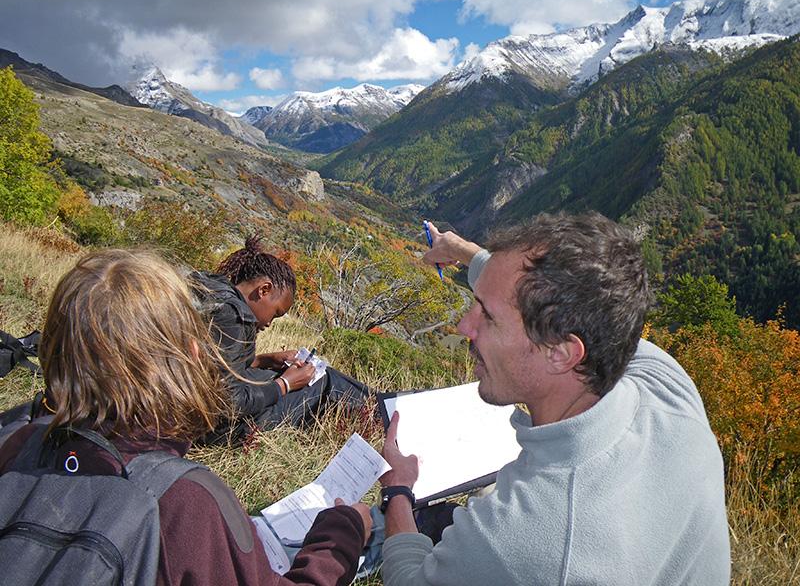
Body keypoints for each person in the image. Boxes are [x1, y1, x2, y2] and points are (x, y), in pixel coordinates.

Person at [378, 214, 731, 585]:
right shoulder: (665, 382)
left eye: (488, 316)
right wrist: (463, 252)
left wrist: (398, 490)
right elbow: (574, 306)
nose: (465, 326)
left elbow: (408, 580)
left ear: (561, 353)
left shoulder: (517, 537)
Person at [0, 249, 372, 585]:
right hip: (223, 430)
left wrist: (259, 361)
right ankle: (378, 408)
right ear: (189, 359)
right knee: (325, 385)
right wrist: (341, 533)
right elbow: (224, 398)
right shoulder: (188, 501)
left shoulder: (14, 436)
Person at [191, 236, 370, 442]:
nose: (269, 323)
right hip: (215, 430)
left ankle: (378, 406)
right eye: (276, 314)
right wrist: (284, 384)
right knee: (322, 380)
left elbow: (218, 367)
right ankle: (381, 410)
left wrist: (266, 360)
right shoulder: (232, 316)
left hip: (195, 414)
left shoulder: (214, 290)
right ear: (264, 290)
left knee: (300, 375)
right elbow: (227, 403)